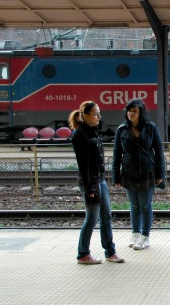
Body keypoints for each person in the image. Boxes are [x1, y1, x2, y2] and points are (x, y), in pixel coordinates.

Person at [69, 101, 125, 264]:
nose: (99, 117)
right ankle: (83, 254)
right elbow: (83, 165)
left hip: (100, 180)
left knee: (106, 216)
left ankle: (110, 252)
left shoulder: (93, 132)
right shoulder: (80, 134)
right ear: (85, 115)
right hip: (91, 183)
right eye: (96, 114)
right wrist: (90, 188)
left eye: (99, 113)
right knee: (92, 218)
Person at [112, 99, 165, 251]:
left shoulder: (150, 128)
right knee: (134, 205)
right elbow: (117, 154)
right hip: (128, 172)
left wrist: (160, 173)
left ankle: (145, 236)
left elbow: (159, 151)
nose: (131, 114)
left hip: (147, 171)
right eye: (129, 111)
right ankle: (135, 233)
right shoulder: (121, 130)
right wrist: (116, 176)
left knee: (145, 205)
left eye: (134, 111)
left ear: (141, 112)